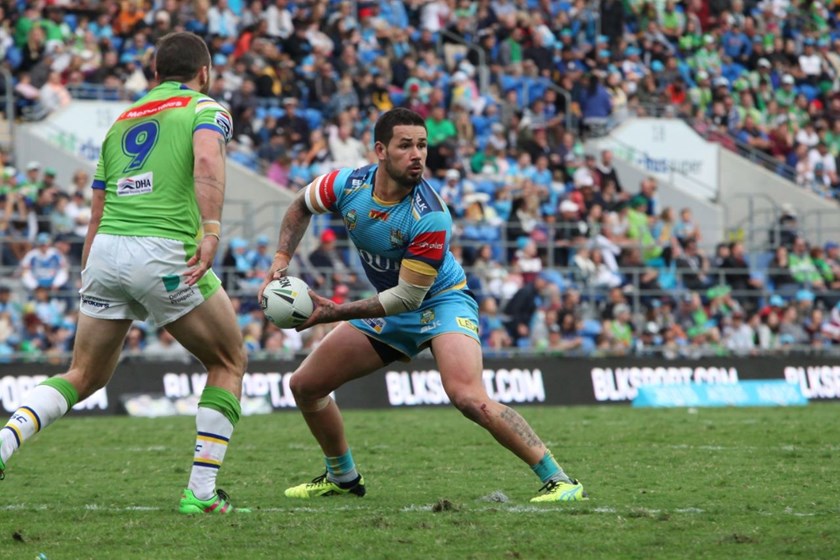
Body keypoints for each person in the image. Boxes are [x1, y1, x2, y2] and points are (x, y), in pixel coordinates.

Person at [258, 108, 586, 503]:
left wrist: (332, 313)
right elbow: (299, 206)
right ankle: (343, 477)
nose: (418, 154)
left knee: (468, 397)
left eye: (422, 145)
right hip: (390, 305)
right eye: (406, 145)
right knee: (305, 385)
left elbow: (407, 298)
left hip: (441, 302)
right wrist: (280, 259)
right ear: (380, 150)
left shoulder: (430, 215)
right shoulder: (346, 185)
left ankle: (560, 480)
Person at [0, 32, 248, 515]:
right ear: (204, 72)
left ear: (154, 75)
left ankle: (4, 442)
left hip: (107, 252)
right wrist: (212, 229)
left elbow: (98, 207)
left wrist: (90, 269)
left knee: (84, 374)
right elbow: (205, 158)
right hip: (162, 248)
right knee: (229, 361)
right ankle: (200, 493)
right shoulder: (205, 108)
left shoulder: (120, 122)